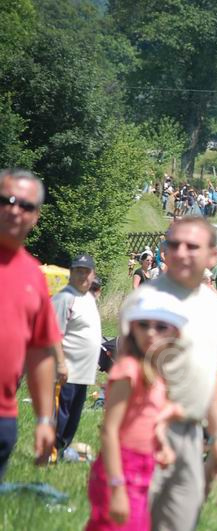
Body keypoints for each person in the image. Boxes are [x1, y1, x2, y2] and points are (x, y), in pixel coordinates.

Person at [119, 216, 217, 531]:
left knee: (181, 522)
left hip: (190, 435)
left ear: (213, 257)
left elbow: (210, 377)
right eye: (174, 244)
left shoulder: (215, 308)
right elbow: (124, 374)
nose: (181, 252)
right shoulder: (146, 301)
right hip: (145, 432)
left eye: (192, 246)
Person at [86, 291, 184, 530]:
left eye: (161, 326)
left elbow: (154, 414)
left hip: (144, 466)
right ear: (133, 328)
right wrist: (117, 486)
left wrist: (161, 438)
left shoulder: (156, 373)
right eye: (143, 324)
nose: (151, 332)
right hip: (120, 469)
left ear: (174, 332)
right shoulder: (128, 370)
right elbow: (109, 431)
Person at [0, 168, 59, 479]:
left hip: (3, 418)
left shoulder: (34, 275)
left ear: (36, 217)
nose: (14, 209)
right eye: (6, 200)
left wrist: (44, 418)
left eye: (25, 205)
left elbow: (39, 352)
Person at [51, 253, 102, 458]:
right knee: (60, 414)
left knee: (73, 416)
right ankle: (50, 452)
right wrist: (60, 364)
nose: (83, 276)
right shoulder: (65, 297)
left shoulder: (88, 297)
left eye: (86, 271)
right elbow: (53, 334)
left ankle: (62, 450)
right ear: (71, 273)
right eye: (78, 271)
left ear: (93, 274)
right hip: (67, 370)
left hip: (84, 372)